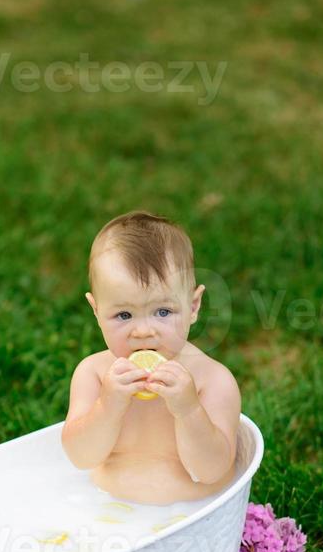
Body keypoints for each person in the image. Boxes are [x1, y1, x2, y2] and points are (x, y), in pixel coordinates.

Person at [61, 210, 242, 505]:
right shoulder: (94, 374)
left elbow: (211, 470)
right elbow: (80, 457)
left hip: (191, 518)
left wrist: (189, 410)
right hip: (108, 511)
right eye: (123, 314)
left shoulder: (211, 380)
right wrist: (108, 405)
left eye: (163, 312)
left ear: (193, 306)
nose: (143, 332)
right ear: (96, 311)